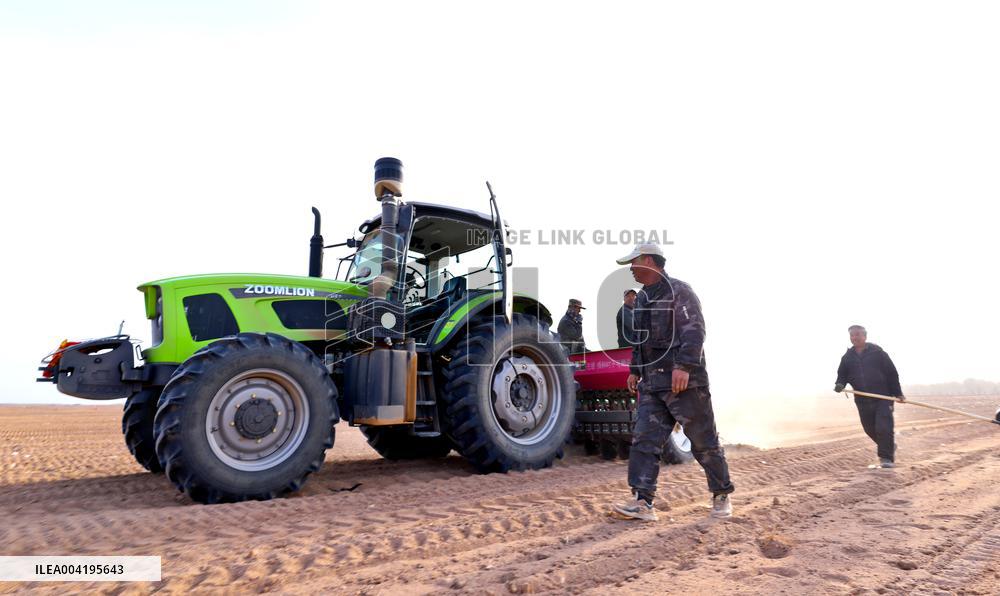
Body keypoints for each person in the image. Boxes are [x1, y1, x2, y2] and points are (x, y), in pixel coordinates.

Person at [610, 244, 734, 522]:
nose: (630, 269)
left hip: (684, 383)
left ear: (649, 261)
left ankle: (721, 495)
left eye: (633, 263)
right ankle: (643, 502)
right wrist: (634, 370)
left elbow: (695, 331)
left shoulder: (680, 291)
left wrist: (684, 366)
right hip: (652, 384)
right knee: (644, 441)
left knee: (703, 441)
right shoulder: (642, 298)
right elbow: (640, 340)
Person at [834, 325, 904, 468]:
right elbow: (842, 375)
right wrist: (840, 384)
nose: (855, 337)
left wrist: (898, 393)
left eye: (858, 334)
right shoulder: (847, 358)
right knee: (869, 429)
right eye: (852, 335)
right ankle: (888, 446)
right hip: (862, 400)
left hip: (883, 398)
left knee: (883, 427)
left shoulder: (878, 353)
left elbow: (892, 373)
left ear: (865, 336)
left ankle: (886, 458)